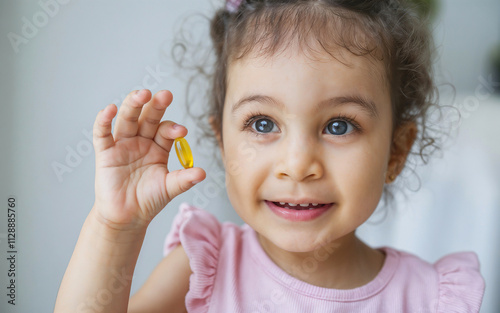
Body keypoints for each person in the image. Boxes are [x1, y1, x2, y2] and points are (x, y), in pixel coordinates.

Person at [54, 0, 486, 312]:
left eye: (339, 125)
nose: (297, 164)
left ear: (396, 151)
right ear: (222, 144)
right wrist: (116, 227)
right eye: (262, 124)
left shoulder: (435, 299)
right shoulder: (204, 268)